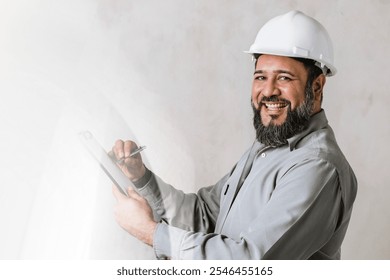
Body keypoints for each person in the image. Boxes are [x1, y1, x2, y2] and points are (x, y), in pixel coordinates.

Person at [110, 10, 357, 259]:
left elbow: (249, 261)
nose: (268, 90)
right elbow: (204, 215)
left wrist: (151, 233)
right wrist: (141, 177)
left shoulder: (316, 165)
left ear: (316, 86)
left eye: (284, 77)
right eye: (260, 77)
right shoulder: (267, 148)